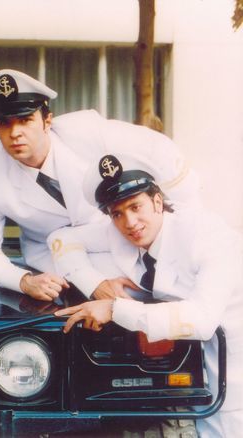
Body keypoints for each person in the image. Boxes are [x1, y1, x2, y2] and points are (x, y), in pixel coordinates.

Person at [0, 68, 200, 301]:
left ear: (47, 121)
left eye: (25, 120)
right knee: (123, 303)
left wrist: (177, 224)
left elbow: (163, 153)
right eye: (4, 123)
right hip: (55, 260)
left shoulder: (86, 131)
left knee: (185, 289)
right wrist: (24, 281)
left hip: (124, 233)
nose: (15, 132)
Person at [49, 154, 243, 437]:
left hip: (235, 379)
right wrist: (96, 284)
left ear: (157, 202)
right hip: (198, 381)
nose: (130, 222)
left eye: (135, 206)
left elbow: (202, 320)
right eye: (117, 213)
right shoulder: (126, 232)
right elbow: (60, 239)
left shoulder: (206, 236)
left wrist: (113, 308)